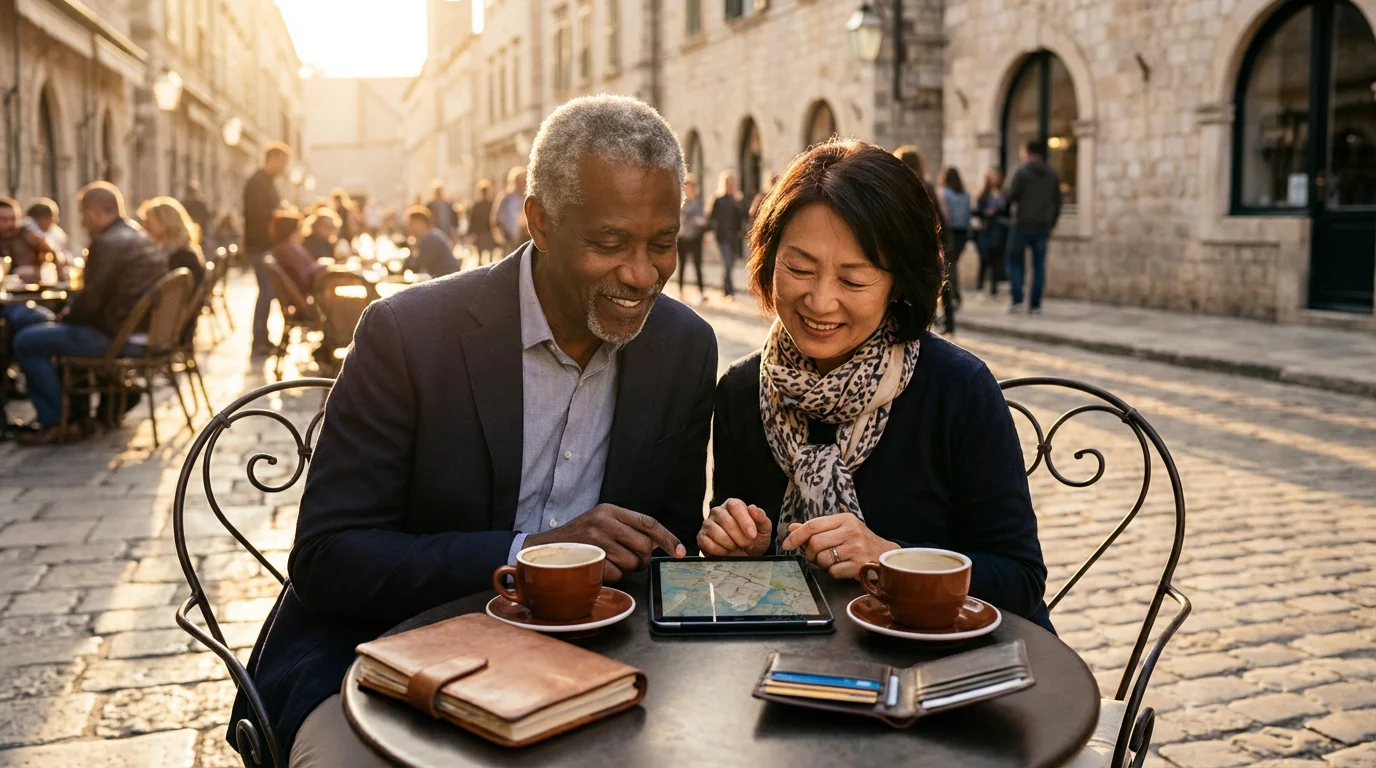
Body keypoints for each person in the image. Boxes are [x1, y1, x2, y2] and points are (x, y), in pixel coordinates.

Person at [233, 94, 717, 767]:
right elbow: (329, 559)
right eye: (609, 243)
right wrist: (529, 555)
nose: (641, 275)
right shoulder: (407, 334)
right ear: (540, 223)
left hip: (585, 669)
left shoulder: (684, 347)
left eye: (661, 244)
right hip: (378, 662)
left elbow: (665, 540)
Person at [701, 140, 1052, 634]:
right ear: (766, 260)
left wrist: (892, 560)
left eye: (855, 280)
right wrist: (742, 546)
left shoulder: (958, 389)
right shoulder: (740, 391)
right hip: (799, 668)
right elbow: (744, 590)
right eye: (799, 269)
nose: (820, 301)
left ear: (899, 284)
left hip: (943, 664)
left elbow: (1020, 578)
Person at [12, 183, 166, 445]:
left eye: (83, 214)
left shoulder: (108, 242)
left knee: (27, 340)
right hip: (132, 327)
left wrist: (64, 319)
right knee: (36, 320)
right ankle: (76, 414)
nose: (82, 222)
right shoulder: (138, 235)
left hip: (116, 334)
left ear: (95, 212)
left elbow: (90, 302)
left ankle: (55, 422)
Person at [1003, 139, 1061, 314]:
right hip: (1042, 225)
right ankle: (1035, 304)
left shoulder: (1021, 171)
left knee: (1014, 260)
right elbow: (1057, 202)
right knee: (1039, 265)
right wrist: (1052, 222)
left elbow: (1010, 196)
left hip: (1022, 223)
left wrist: (1007, 216)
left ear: (1027, 152)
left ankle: (1017, 299)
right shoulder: (1052, 174)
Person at [243, 143, 290, 356]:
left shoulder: (266, 182)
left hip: (264, 244)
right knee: (266, 291)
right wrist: (279, 214)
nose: (284, 167)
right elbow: (258, 214)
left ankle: (262, 337)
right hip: (259, 244)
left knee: (267, 291)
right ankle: (259, 339)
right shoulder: (258, 183)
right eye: (282, 162)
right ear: (273, 159)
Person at [138, 196, 206, 286]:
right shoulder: (180, 250)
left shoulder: (181, 257)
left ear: (164, 221)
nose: (144, 227)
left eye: (148, 222)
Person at [708, 170, 746, 299]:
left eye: (732, 183)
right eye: (729, 183)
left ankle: (725, 290)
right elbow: (711, 218)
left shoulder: (736, 200)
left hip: (734, 237)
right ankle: (730, 291)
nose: (731, 185)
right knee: (727, 263)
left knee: (730, 264)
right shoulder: (718, 200)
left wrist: (739, 202)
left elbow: (743, 216)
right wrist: (709, 233)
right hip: (722, 237)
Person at [269, 211, 325, 296]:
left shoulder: (286, 248)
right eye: (300, 228)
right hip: (314, 289)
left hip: (311, 287)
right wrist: (326, 267)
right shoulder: (290, 251)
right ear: (292, 231)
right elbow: (307, 275)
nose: (303, 232)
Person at [973, 168, 1007, 297]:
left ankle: (994, 288)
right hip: (985, 230)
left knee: (996, 260)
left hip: (998, 231)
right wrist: (986, 213)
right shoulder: (983, 195)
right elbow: (976, 211)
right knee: (984, 259)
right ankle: (980, 287)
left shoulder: (1003, 194)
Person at [403, 205, 459, 277]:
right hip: (442, 279)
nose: (408, 228)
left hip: (448, 281)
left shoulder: (432, 238)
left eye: (410, 224)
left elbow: (418, 264)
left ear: (420, 223)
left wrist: (413, 250)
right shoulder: (427, 237)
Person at [677, 174, 707, 299]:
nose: (688, 188)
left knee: (698, 265)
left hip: (695, 237)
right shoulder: (681, 201)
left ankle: (701, 291)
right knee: (682, 265)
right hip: (683, 237)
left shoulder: (698, 201)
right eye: (686, 186)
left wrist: (701, 222)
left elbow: (703, 216)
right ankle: (681, 290)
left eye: (690, 186)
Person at [22, 199, 70, 270]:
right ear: (42, 218)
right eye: (54, 217)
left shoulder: (54, 230)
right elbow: (43, 242)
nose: (56, 220)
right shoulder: (28, 226)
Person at [493, 165, 529, 249]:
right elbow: (497, 216)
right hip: (508, 236)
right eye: (518, 181)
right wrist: (500, 232)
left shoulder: (528, 197)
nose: (521, 183)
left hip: (525, 237)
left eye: (523, 181)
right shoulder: (506, 197)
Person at [468, 179, 498, 264]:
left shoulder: (490, 204)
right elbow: (473, 220)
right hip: (482, 232)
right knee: (482, 255)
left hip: (488, 231)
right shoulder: (478, 205)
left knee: (488, 254)